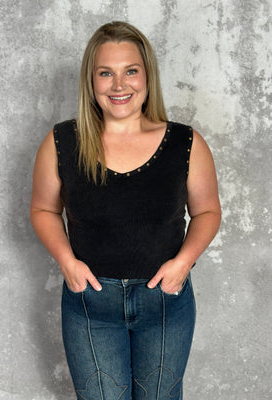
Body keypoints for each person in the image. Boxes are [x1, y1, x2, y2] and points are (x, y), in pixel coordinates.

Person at [30, 21, 221, 400]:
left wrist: (183, 263)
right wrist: (67, 262)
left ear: (147, 75)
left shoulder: (186, 143)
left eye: (130, 71)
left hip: (165, 303)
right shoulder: (62, 142)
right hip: (90, 305)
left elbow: (207, 213)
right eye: (106, 73)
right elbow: (42, 209)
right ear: (91, 80)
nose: (119, 85)